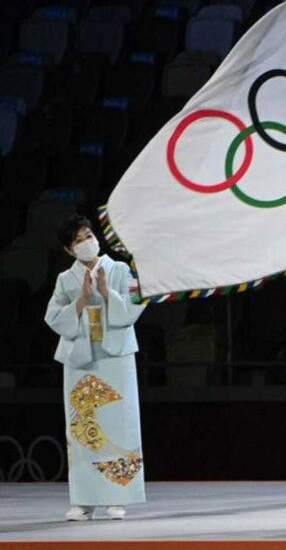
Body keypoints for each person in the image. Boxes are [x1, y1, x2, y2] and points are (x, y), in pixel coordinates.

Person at [44, 216, 146, 521]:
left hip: (116, 354)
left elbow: (135, 305)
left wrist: (106, 292)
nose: (87, 241)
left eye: (89, 235)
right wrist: (82, 299)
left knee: (119, 423)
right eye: (79, 239)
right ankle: (84, 500)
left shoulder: (119, 269)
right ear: (69, 249)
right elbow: (53, 317)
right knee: (82, 427)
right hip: (80, 358)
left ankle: (118, 496)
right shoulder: (66, 279)